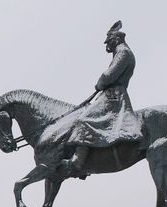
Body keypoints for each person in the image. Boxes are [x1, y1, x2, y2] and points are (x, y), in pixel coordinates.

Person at [60, 20, 144, 174]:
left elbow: (108, 75)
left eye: (109, 41)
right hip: (112, 94)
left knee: (84, 120)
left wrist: (100, 84)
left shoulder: (123, 52)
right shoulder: (121, 51)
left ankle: (79, 160)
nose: (107, 45)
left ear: (117, 39)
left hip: (114, 96)